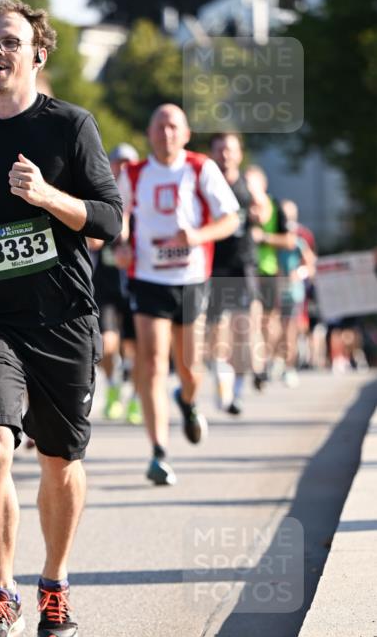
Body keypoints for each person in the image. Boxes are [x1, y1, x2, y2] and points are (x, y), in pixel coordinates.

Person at [0, 0, 122, 637]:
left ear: (37, 53)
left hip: (62, 317)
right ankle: (1, 592)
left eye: (9, 41)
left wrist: (45, 197)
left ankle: (54, 583)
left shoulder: (70, 126)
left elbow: (107, 219)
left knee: (60, 462)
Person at [116, 104, 239, 486]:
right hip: (148, 277)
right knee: (151, 363)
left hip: (190, 277)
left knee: (190, 367)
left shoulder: (201, 168)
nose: (166, 133)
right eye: (159, 126)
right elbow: (118, 214)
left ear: (185, 134)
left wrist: (198, 236)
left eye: (173, 126)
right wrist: (120, 242)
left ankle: (186, 400)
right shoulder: (135, 174)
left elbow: (231, 218)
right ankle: (158, 451)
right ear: (149, 134)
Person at [206, 132, 259, 416]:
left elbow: (262, 211)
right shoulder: (206, 183)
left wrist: (258, 206)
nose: (225, 154)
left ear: (239, 154)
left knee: (242, 329)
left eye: (230, 149)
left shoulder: (248, 184)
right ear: (213, 153)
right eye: (220, 149)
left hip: (242, 263)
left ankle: (237, 390)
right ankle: (221, 377)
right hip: (214, 263)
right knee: (215, 330)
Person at [90, 143, 141, 423]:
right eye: (118, 163)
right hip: (106, 283)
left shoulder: (143, 194)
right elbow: (94, 240)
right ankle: (112, 385)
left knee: (137, 348)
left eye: (128, 163)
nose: (123, 168)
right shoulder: (100, 194)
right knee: (107, 344)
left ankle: (134, 397)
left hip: (137, 284)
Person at [243, 165, 293, 388]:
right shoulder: (238, 206)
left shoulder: (276, 207)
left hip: (269, 271)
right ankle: (258, 365)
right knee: (252, 320)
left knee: (269, 323)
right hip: (246, 271)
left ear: (263, 185)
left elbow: (289, 241)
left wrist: (263, 237)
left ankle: (270, 358)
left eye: (253, 184)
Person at [275, 199, 316, 387]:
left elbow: (310, 264)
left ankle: (288, 367)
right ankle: (273, 360)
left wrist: (298, 274)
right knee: (273, 328)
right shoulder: (273, 236)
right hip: (272, 289)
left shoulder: (300, 239)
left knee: (289, 330)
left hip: (292, 291)